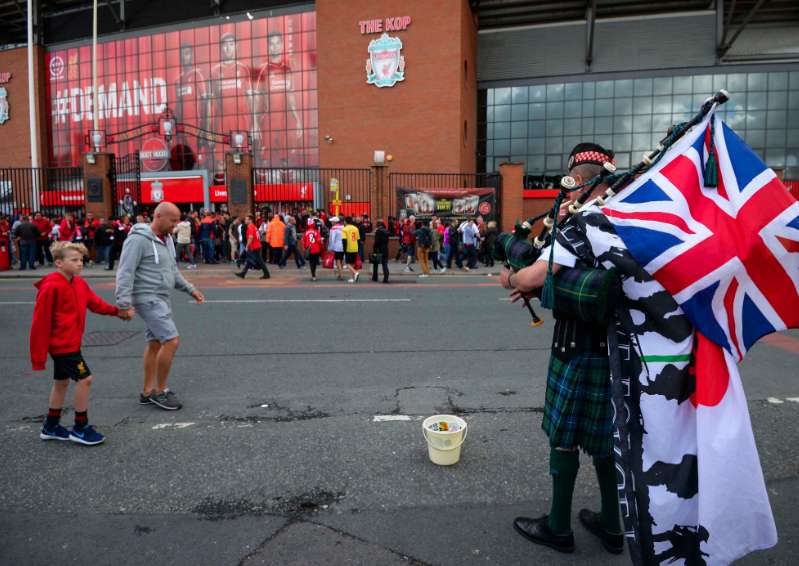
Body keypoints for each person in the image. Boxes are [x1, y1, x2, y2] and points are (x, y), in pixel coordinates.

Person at [500, 143, 622, 554]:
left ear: (577, 183)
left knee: (564, 436)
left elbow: (535, 275)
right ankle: (612, 526)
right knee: (605, 437)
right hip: (616, 347)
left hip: (576, 346)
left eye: (569, 185)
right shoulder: (624, 216)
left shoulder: (581, 222)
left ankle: (557, 527)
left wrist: (512, 280)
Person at [30, 241, 133, 445]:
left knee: (61, 382)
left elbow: (95, 304)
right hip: (62, 346)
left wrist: (118, 312)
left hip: (71, 343)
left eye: (81, 260)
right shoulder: (51, 286)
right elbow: (40, 323)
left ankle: (51, 426)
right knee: (85, 379)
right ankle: (80, 428)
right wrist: (38, 357)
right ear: (59, 263)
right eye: (74, 260)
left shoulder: (78, 283)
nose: (80, 264)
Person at [115, 202, 205, 411]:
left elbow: (172, 271)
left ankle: (147, 391)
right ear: (158, 216)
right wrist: (123, 303)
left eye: (177, 221)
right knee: (171, 341)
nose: (175, 225)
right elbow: (125, 271)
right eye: (173, 221)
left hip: (161, 297)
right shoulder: (138, 239)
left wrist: (190, 289)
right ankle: (160, 391)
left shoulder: (166, 240)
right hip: (147, 297)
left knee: (155, 342)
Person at [256, 31, 303, 167]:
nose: (275, 46)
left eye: (277, 43)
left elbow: (291, 96)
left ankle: (285, 181)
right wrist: (254, 122)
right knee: (265, 159)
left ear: (282, 45)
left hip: (285, 121)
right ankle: (263, 182)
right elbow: (256, 97)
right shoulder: (262, 69)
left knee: (285, 159)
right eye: (272, 44)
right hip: (268, 120)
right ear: (268, 46)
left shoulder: (288, 69)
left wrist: (297, 120)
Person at [235, 214, 271, 280]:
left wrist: (247, 246)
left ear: (250, 220)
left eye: (246, 219)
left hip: (255, 247)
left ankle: (267, 274)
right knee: (249, 261)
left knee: (260, 261)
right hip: (256, 246)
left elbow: (250, 237)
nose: (245, 221)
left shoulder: (250, 227)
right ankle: (243, 274)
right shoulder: (254, 226)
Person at [341, 216, 361, 283]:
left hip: (348, 248)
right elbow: (358, 240)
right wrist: (357, 247)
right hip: (355, 247)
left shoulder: (344, 229)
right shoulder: (356, 228)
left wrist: (344, 250)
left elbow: (344, 241)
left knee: (347, 263)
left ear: (346, 221)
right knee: (352, 263)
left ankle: (355, 272)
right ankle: (352, 278)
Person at [371, 219, 390, 283]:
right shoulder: (386, 231)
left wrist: (374, 249)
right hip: (385, 249)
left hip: (378, 249)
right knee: (385, 264)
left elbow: (376, 242)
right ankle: (386, 278)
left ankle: (375, 277)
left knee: (375, 263)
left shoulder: (378, 231)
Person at [327, 216, 345, 280]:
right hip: (343, 245)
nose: (331, 222)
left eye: (332, 221)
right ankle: (341, 273)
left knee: (338, 261)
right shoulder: (343, 227)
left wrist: (330, 247)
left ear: (335, 222)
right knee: (342, 260)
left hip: (337, 247)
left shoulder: (333, 229)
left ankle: (341, 275)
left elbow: (332, 239)